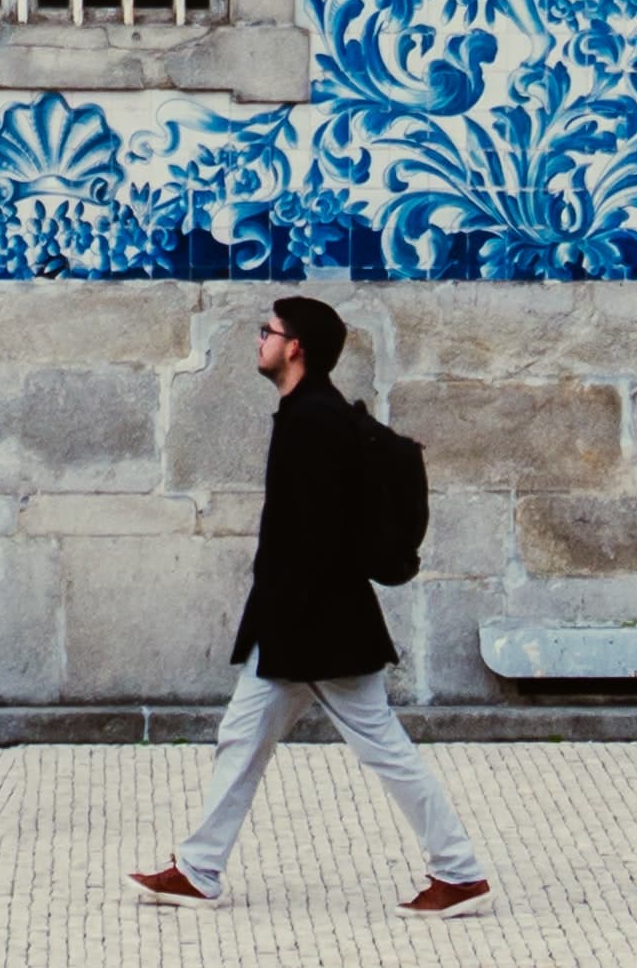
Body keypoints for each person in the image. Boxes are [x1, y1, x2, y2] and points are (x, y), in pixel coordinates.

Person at [129, 296, 491, 918]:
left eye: (267, 332)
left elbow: (320, 533)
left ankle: (458, 872)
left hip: (320, 629)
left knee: (384, 749)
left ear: (294, 346)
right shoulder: (306, 412)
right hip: (301, 625)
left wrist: (289, 614)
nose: (259, 340)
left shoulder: (314, 421)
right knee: (241, 738)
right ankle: (198, 868)